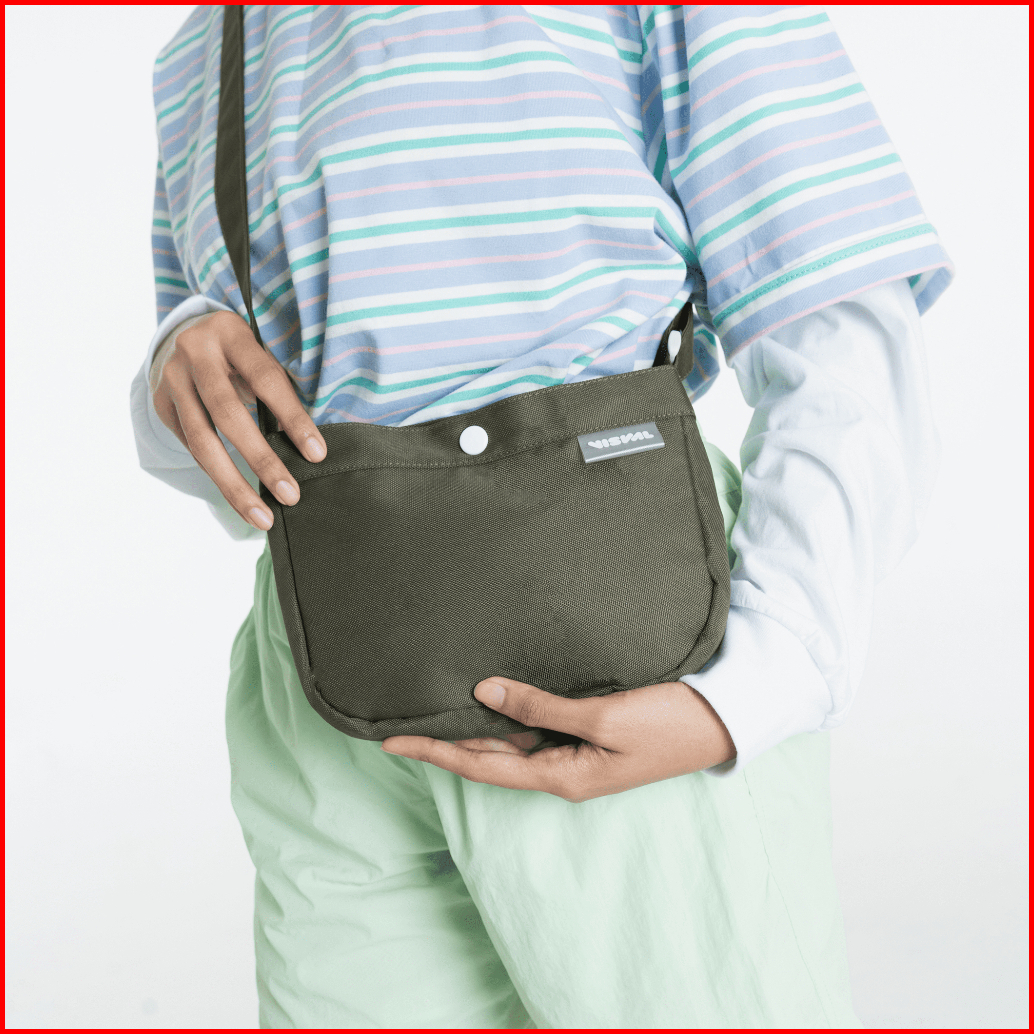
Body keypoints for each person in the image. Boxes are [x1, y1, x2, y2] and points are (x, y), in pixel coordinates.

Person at [131, 6, 952, 1027]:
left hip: (617, 641)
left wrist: (755, 681)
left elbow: (836, 321)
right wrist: (178, 357)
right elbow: (235, 453)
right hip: (323, 681)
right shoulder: (202, 45)